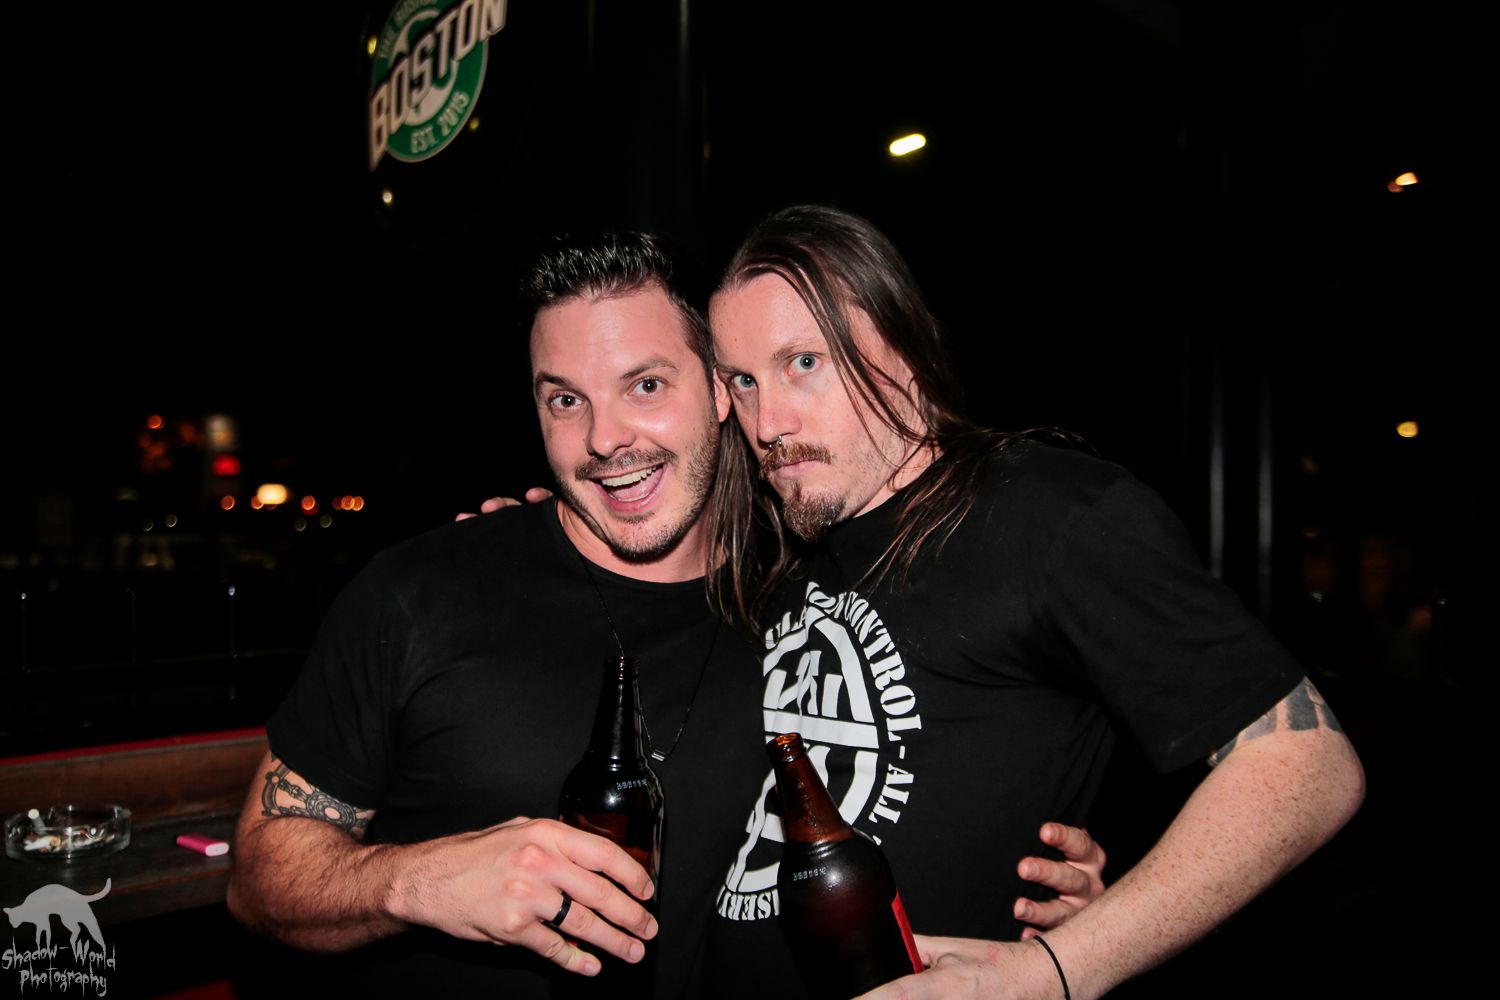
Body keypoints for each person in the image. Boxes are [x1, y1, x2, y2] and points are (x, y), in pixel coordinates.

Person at [226, 231, 1104, 997]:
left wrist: (1076, 915)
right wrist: (420, 883)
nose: (604, 438)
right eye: (565, 399)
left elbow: (944, 760)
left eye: (644, 385)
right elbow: (260, 878)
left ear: (723, 392)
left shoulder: (796, 608)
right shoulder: (420, 592)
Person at [702, 205, 1365, 999]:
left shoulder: (1047, 513)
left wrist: (1057, 969)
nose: (768, 422)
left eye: (804, 362)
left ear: (904, 350)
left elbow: (1308, 766)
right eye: (743, 382)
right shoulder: (786, 551)